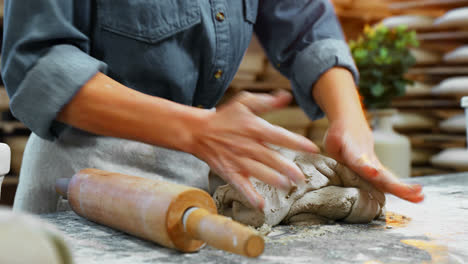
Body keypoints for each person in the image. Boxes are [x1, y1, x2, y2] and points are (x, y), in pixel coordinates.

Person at [1, 0, 423, 214]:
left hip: (193, 178)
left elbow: (308, 23)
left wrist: (350, 121)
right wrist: (197, 129)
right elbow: (37, 63)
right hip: (79, 178)